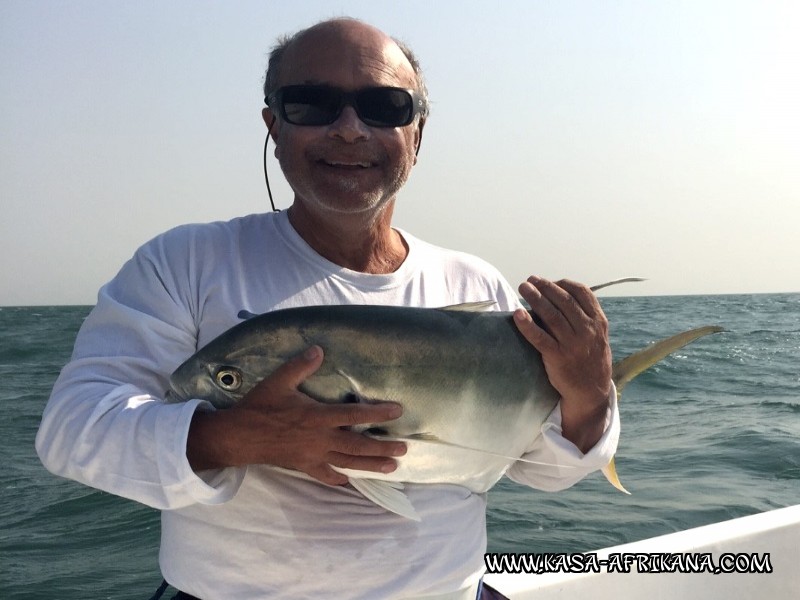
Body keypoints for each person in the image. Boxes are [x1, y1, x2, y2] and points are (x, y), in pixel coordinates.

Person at [36, 17, 619, 600]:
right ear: (273, 124)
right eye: (312, 104)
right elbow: (72, 430)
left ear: (417, 133)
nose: (348, 129)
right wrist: (233, 438)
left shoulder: (476, 283)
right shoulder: (186, 262)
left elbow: (544, 470)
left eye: (383, 106)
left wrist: (590, 393)